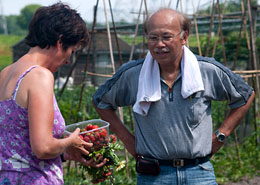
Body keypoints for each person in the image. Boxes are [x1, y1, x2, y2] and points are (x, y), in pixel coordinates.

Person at [92, 8, 255, 185]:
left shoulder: (206, 70)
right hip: (153, 175)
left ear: (184, 37)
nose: (159, 44)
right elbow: (101, 101)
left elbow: (245, 96)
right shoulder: (134, 74)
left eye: (167, 37)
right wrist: (128, 140)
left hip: (198, 172)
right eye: (153, 38)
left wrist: (222, 134)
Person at [0, 3, 105, 184]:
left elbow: (20, 146)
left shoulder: (5, 74)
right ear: (60, 42)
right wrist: (70, 141)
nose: (67, 61)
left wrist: (65, 154)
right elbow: (43, 147)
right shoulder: (39, 76)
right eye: (71, 51)